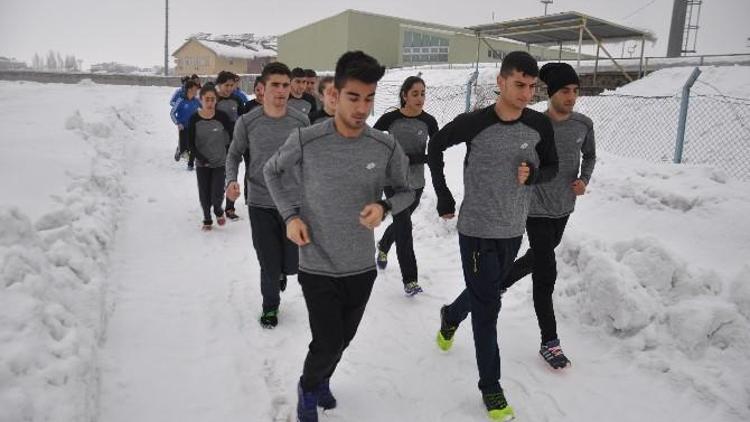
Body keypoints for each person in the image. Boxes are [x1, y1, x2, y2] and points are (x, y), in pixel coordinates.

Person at [263, 51, 413, 422]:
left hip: (360, 266)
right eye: (353, 97)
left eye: (369, 98)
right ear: (336, 93)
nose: (362, 107)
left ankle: (322, 377)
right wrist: (290, 216)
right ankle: (308, 387)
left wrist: (384, 207)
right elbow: (271, 172)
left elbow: (407, 190)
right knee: (327, 341)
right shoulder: (307, 139)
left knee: (342, 341)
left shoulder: (384, 145)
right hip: (317, 261)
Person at [429, 51, 558, 421]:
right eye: (519, 84)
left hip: (513, 228)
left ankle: (451, 315)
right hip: (477, 229)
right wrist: (443, 194)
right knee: (489, 307)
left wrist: (533, 176)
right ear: (500, 82)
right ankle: (491, 387)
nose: (526, 93)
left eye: (532, 87)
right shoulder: (474, 123)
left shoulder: (539, 125)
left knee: (487, 290)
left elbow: (552, 167)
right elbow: (435, 145)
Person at [500, 62, 596, 370]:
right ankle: (549, 341)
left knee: (538, 256)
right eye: (565, 91)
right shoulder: (533, 124)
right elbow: (515, 158)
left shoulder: (583, 124)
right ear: (551, 92)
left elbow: (590, 155)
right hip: (535, 207)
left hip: (564, 206)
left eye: (575, 91)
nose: (571, 97)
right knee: (546, 271)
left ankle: (500, 280)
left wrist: (584, 179)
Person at [225, 62, 310, 328]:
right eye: (276, 85)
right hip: (260, 201)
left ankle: (281, 273)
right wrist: (230, 180)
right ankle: (270, 307)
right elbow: (234, 154)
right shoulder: (248, 122)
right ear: (262, 88)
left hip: (293, 203)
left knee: (293, 264)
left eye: (286, 85)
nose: (282, 90)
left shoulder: (300, 121)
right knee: (268, 263)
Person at [373, 76, 438, 296]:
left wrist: (423, 158)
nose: (420, 98)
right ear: (404, 95)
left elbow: (436, 152)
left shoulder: (429, 121)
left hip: (416, 184)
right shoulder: (391, 119)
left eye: (423, 94)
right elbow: (372, 139)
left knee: (402, 223)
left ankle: (383, 244)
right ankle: (410, 280)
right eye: (415, 94)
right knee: (405, 228)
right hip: (392, 182)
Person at [187, 84, 234, 231]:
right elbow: (189, 143)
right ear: (200, 100)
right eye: (206, 99)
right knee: (204, 193)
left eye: (213, 99)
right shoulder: (194, 119)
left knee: (217, 192)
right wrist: (200, 157)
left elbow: (232, 136)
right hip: (202, 163)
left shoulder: (222, 117)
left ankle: (218, 210)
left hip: (220, 162)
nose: (210, 103)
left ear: (216, 100)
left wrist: (227, 151)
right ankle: (207, 218)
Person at [216, 71, 247, 221]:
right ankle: (216, 204)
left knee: (231, 175)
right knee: (218, 177)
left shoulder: (238, 100)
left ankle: (230, 208)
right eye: (226, 85)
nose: (229, 88)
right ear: (219, 85)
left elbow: (243, 121)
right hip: (216, 145)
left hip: (233, 144)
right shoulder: (213, 99)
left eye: (231, 85)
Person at [170, 80, 201, 170]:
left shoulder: (196, 101)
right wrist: (178, 123)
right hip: (183, 127)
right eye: (195, 89)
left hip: (194, 127)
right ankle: (180, 151)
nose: (197, 91)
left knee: (193, 146)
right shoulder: (181, 100)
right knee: (184, 149)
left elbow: (204, 109)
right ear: (189, 90)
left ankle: (190, 165)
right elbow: (172, 113)